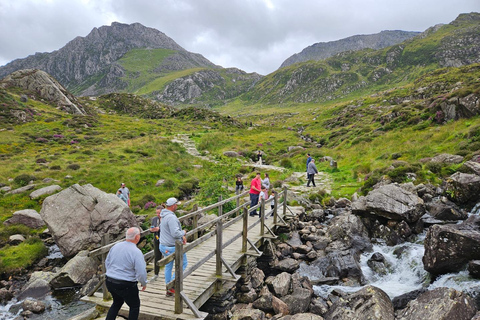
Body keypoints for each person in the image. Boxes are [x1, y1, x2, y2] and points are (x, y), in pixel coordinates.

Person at [105, 227, 147, 320]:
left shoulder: (115, 246)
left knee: (117, 302)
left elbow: (107, 262)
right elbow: (141, 271)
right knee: (134, 306)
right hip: (126, 284)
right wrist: (143, 282)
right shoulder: (136, 252)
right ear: (137, 237)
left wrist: (112, 273)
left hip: (110, 280)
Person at [159, 197, 187, 297]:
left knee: (168, 266)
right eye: (176, 205)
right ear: (173, 205)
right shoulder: (171, 217)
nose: (177, 207)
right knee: (183, 263)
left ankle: (169, 287)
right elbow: (175, 233)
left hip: (163, 245)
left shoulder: (164, 215)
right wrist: (183, 232)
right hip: (171, 246)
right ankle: (172, 285)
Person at [149, 205, 164, 278]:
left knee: (167, 255)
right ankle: (156, 273)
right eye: (157, 213)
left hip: (165, 240)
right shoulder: (154, 219)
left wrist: (159, 229)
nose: (158, 215)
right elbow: (152, 227)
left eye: (159, 213)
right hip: (156, 239)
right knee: (157, 256)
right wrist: (152, 229)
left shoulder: (166, 219)